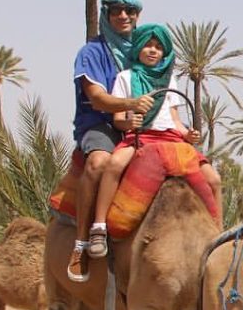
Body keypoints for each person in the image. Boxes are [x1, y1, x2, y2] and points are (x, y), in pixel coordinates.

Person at [86, 23, 222, 259]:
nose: (153, 50)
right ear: (138, 47)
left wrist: (188, 135)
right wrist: (130, 124)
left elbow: (176, 121)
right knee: (114, 165)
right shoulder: (126, 78)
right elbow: (119, 119)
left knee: (214, 179)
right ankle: (99, 226)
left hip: (172, 140)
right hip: (140, 137)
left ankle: (219, 235)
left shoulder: (169, 81)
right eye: (148, 45)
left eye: (158, 47)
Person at [68, 0, 154, 283]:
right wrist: (130, 105)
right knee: (100, 162)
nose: (123, 16)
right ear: (106, 14)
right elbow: (98, 99)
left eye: (130, 11)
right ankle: (81, 243)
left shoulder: (143, 53)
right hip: (100, 124)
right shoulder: (91, 53)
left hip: (140, 124)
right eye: (116, 10)